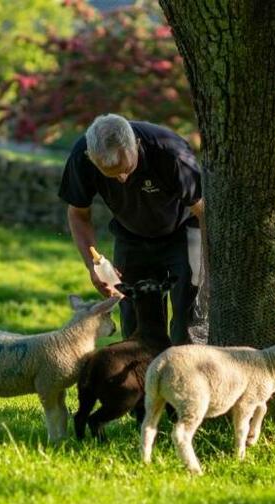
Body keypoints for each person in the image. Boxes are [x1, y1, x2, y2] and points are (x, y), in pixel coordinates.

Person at [59, 114, 205, 345]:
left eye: (126, 168)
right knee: (135, 325)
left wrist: (212, 266)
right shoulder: (81, 156)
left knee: (188, 320)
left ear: (136, 145)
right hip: (131, 236)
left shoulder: (171, 153)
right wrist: (92, 264)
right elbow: (78, 214)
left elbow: (204, 212)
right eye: (113, 174)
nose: (123, 178)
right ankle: (144, 378)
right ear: (91, 158)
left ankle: (182, 375)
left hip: (184, 230)